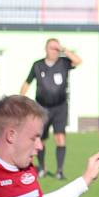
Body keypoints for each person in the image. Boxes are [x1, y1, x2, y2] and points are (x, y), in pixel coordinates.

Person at [20, 38, 82, 180]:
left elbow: (78, 61)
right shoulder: (37, 65)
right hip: (42, 107)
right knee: (41, 139)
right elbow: (27, 83)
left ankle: (59, 171)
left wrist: (64, 49)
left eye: (56, 48)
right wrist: (20, 102)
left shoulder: (64, 63)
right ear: (45, 49)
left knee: (60, 137)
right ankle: (42, 168)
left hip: (60, 106)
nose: (54, 51)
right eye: (51, 48)